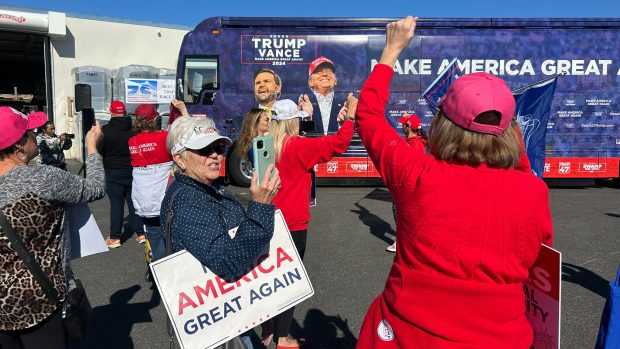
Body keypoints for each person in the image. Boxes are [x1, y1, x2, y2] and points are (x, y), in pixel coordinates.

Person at [355, 17, 553, 348]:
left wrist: (390, 51)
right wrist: (503, 126)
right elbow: (538, 255)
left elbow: (368, 116)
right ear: (510, 132)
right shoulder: (533, 192)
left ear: (443, 124)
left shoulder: (417, 174)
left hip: (407, 335)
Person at [161, 116, 281, 349]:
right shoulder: (187, 201)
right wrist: (261, 205)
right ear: (179, 159)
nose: (216, 154)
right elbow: (228, 261)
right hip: (215, 325)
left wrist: (264, 309)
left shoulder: (210, 189)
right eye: (204, 150)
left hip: (235, 312)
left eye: (218, 147)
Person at [0, 106, 105, 349]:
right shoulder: (43, 178)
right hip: (42, 300)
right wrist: (92, 148)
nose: (36, 136)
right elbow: (95, 188)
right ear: (18, 145)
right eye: (31, 133)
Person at [267, 98, 356, 349]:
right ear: (294, 121)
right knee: (287, 282)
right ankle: (282, 337)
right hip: (293, 223)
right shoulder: (299, 146)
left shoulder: (263, 144)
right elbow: (340, 143)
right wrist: (349, 119)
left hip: (266, 218)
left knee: (268, 280)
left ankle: (268, 329)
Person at [129, 104, 172, 262]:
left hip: (143, 197)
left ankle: (158, 266)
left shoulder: (132, 141)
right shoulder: (164, 137)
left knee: (153, 234)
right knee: (171, 234)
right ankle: (168, 268)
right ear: (155, 119)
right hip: (163, 196)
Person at [99, 100, 145, 248]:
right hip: (133, 169)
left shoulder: (105, 130)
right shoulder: (134, 130)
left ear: (110, 112)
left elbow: (100, 150)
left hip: (113, 170)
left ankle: (115, 237)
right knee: (134, 203)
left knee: (117, 204)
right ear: (125, 112)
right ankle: (141, 233)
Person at [386, 113, 427, 253]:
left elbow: (411, 168)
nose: (401, 125)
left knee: (402, 213)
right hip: (408, 186)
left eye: (404, 124)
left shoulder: (415, 145)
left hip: (408, 187)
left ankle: (402, 242)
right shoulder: (415, 142)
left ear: (408, 127)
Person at [306, 56, 348, 135]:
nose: (325, 74)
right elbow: (302, 135)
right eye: (319, 71)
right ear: (310, 81)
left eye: (329, 71)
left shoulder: (346, 103)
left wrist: (343, 125)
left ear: (335, 80)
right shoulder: (303, 103)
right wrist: (308, 119)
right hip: (313, 146)